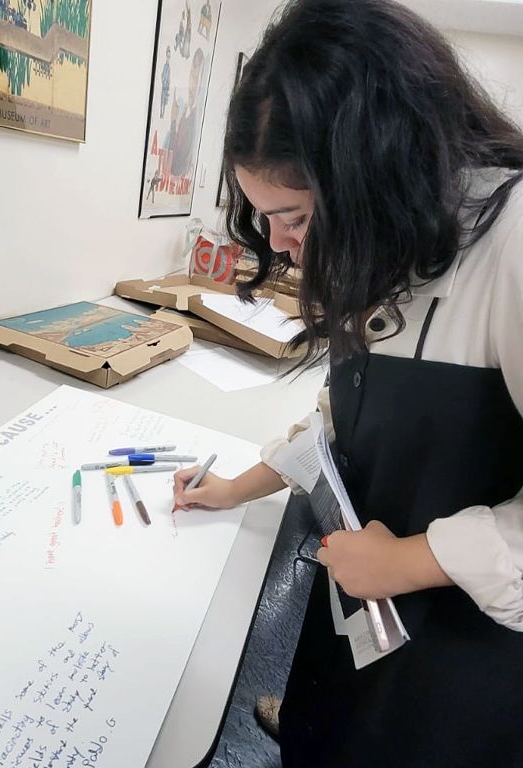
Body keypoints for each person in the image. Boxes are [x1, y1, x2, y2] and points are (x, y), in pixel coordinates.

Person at [172, 0, 523, 766]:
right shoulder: (391, 240)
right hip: (362, 598)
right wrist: (240, 486)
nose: (280, 246)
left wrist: (406, 562)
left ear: (374, 177)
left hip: (460, 655)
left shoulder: (513, 245)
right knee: (322, 725)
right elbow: (350, 421)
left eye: (293, 217)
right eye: (263, 218)